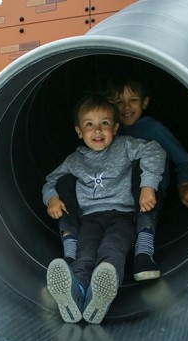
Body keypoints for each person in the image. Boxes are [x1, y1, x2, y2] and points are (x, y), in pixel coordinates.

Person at [54, 76, 188, 281]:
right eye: (118, 102)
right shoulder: (106, 133)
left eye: (133, 100)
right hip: (110, 205)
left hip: (150, 192)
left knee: (138, 167)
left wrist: (184, 185)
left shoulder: (152, 130)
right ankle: (75, 259)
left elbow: (184, 160)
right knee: (68, 184)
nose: (126, 107)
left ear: (145, 102)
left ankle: (143, 246)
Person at [42, 94, 165, 324]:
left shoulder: (125, 146)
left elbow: (154, 150)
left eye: (104, 124)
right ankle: (76, 294)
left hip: (123, 216)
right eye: (90, 125)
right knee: (84, 254)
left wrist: (148, 185)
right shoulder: (74, 160)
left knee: (112, 249)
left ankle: (102, 293)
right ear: (79, 131)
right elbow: (51, 181)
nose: (97, 130)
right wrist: (52, 199)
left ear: (115, 128)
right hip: (90, 218)